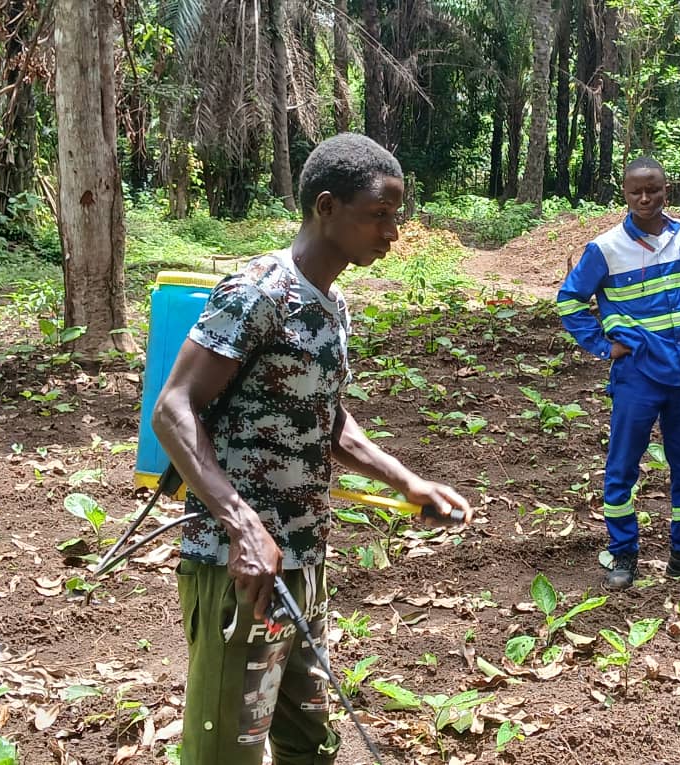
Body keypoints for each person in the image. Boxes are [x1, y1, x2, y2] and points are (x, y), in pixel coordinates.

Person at [152, 132, 473, 765]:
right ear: (326, 208)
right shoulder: (258, 292)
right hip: (236, 565)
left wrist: (405, 481)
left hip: (300, 557)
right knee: (226, 750)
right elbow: (174, 408)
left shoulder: (333, 305)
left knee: (308, 742)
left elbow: (324, 418)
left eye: (396, 216)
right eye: (378, 215)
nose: (392, 233)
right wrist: (243, 527)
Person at [556, 157, 680, 591]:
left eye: (654, 190)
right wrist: (602, 345)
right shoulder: (606, 249)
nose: (645, 199)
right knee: (623, 468)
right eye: (636, 192)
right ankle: (623, 555)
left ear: (667, 191)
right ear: (624, 193)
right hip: (638, 377)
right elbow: (570, 301)